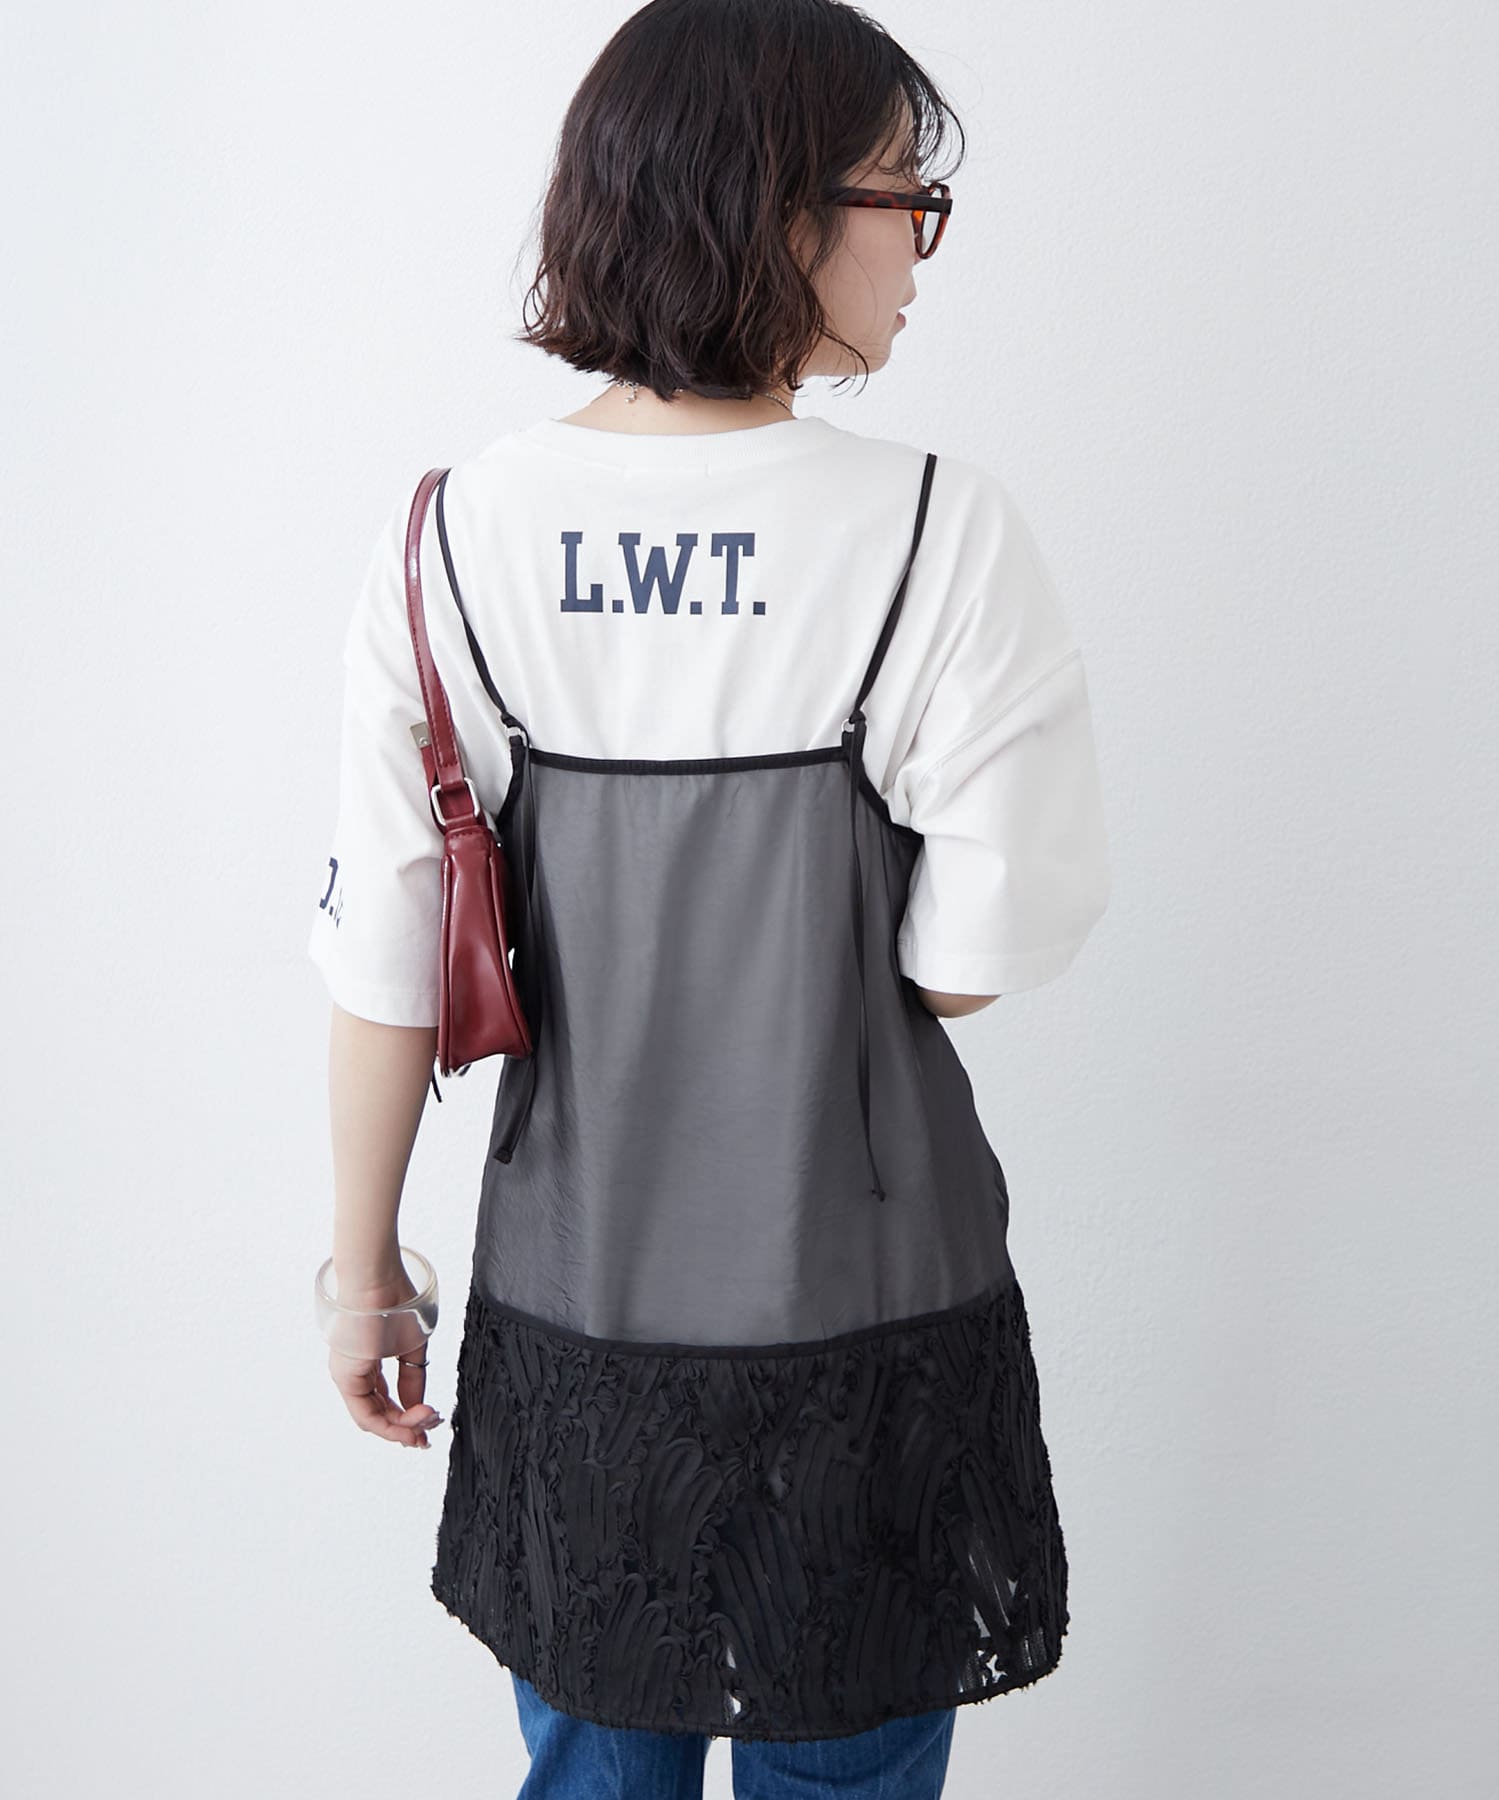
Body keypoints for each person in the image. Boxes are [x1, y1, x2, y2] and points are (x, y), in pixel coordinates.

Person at [307, 1, 1111, 1794]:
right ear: (780, 213)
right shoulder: (938, 532)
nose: (921, 247)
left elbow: (386, 965)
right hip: (869, 1317)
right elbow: (968, 967)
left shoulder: (453, 536)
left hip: (581, 1317)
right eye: (902, 197)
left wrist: (364, 1282)